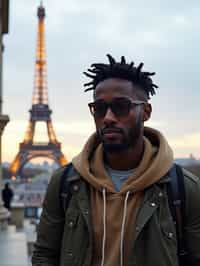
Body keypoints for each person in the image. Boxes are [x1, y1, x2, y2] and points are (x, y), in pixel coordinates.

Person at [32, 55, 200, 266]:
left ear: (146, 112)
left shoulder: (185, 189)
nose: (108, 117)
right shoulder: (64, 183)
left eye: (121, 106)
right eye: (100, 108)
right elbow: (45, 255)